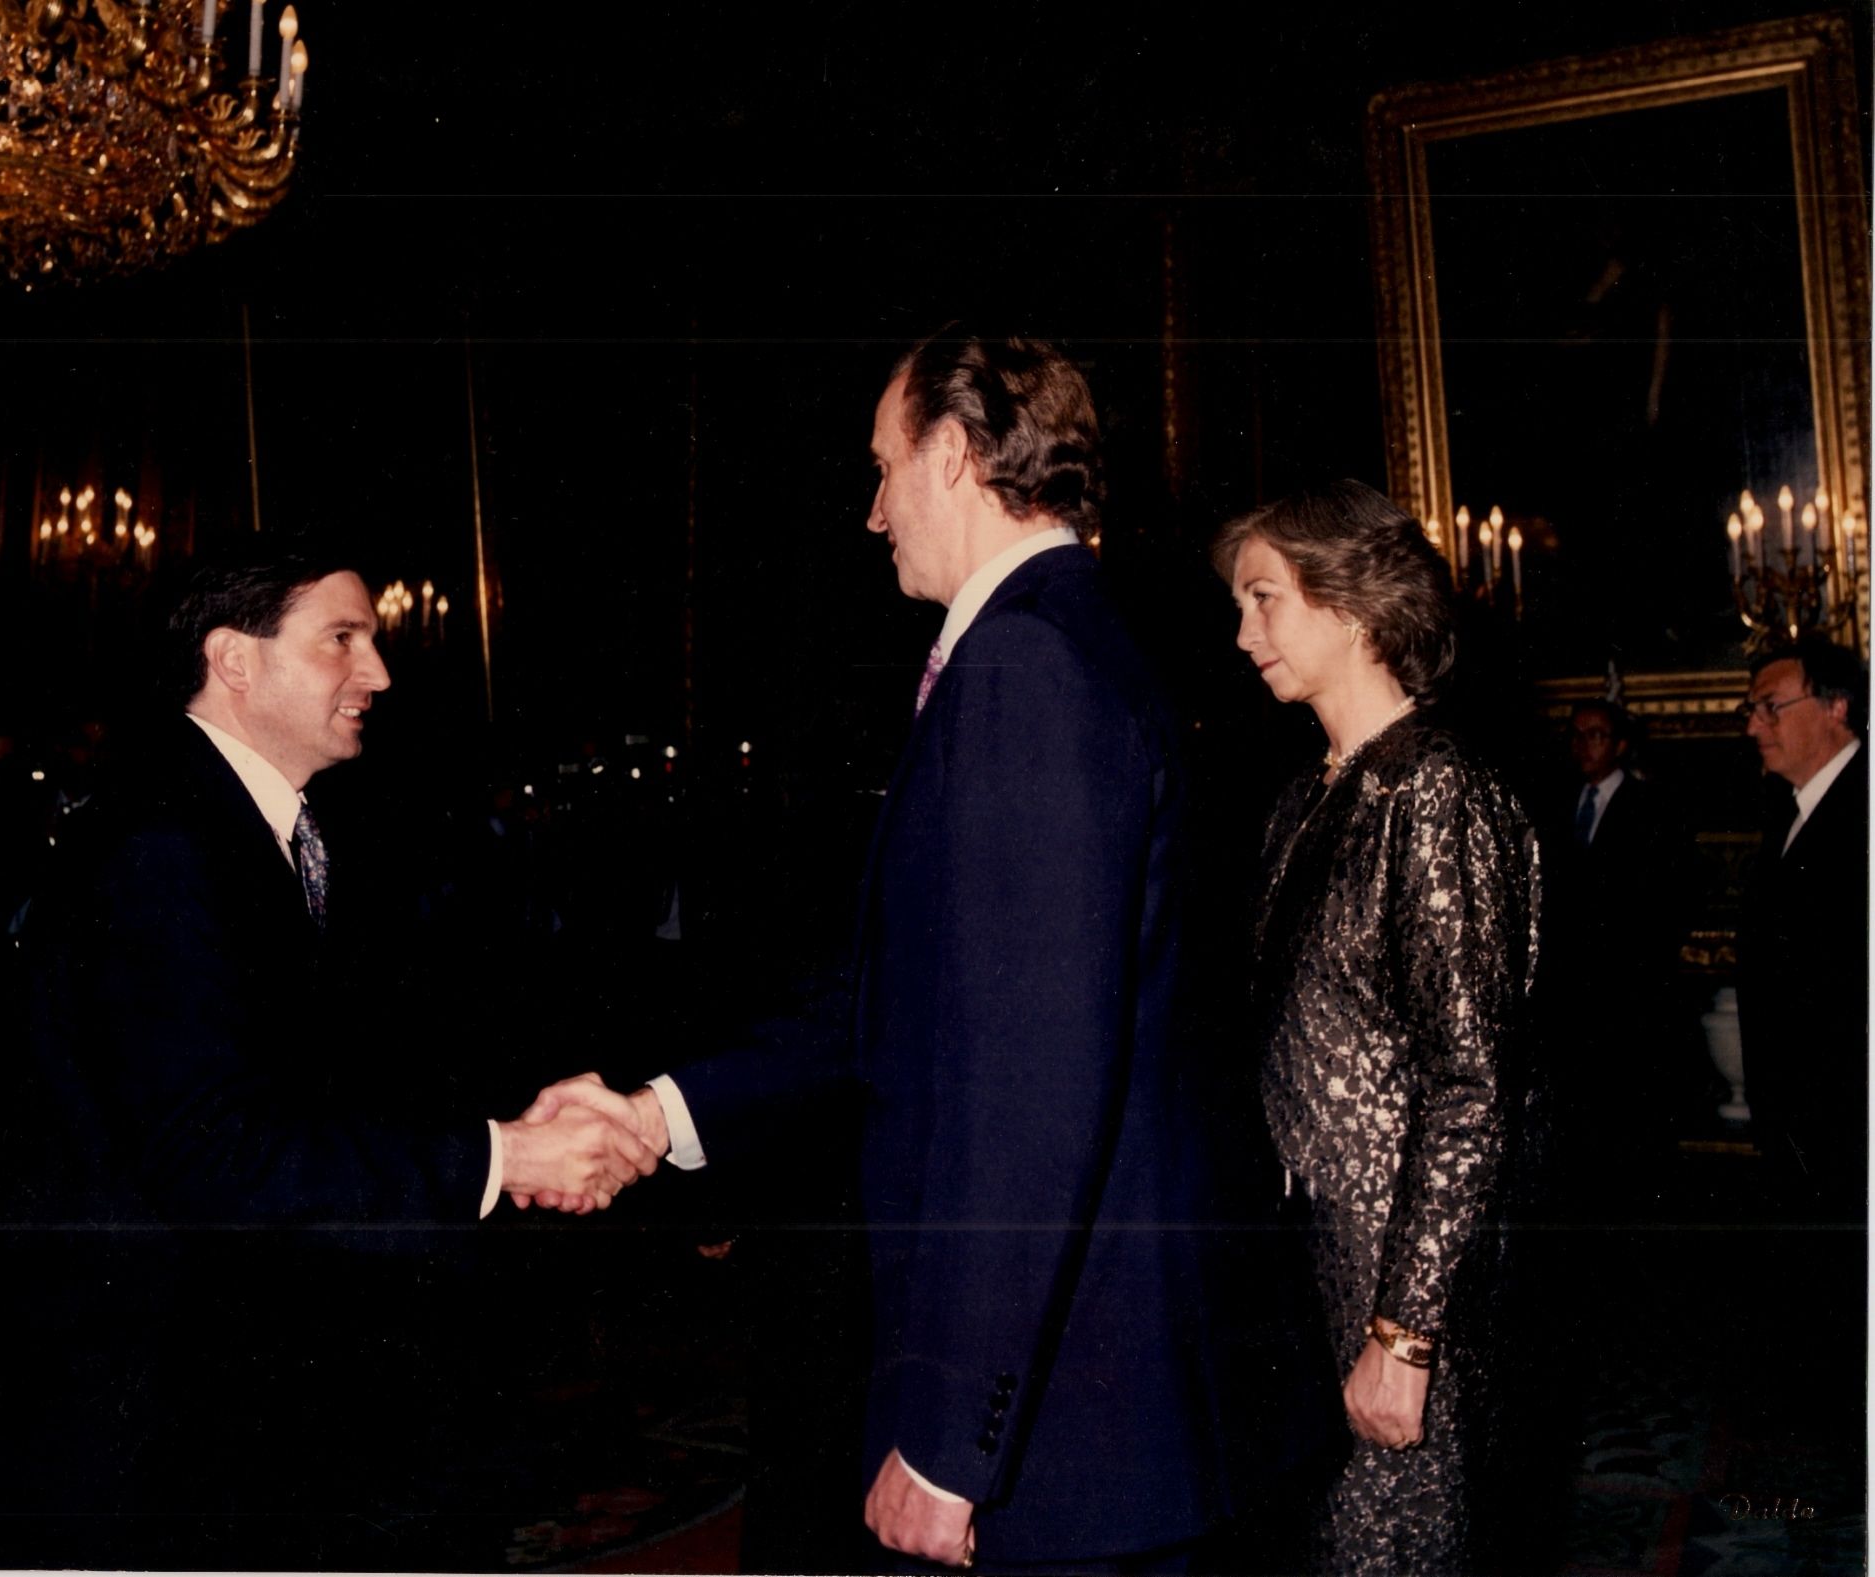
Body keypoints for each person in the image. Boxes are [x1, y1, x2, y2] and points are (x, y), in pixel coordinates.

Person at [527, 330, 1338, 1573]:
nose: (871, 512)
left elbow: (1032, 1089)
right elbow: (897, 997)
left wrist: (957, 1440)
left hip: (1070, 1415)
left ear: (953, 453)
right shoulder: (1050, 639)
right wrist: (658, 1113)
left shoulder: (1024, 662)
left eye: (882, 466)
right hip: (1094, 1392)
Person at [22, 543, 655, 1561]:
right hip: (162, 1402)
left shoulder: (266, 826)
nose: (379, 673)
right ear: (235, 658)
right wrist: (501, 1155)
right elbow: (215, 1154)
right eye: (342, 640)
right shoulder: (160, 847)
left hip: (256, 1380)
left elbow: (337, 1077)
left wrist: (522, 1122)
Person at [1214, 479, 1544, 1576]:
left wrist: (1404, 1333)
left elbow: (1472, 1087)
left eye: (1263, 597)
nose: (1242, 631)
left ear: (1352, 605)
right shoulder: (1306, 799)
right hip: (1306, 1278)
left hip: (1398, 1296)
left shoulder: (1435, 794)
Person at [1736, 638, 1868, 1219]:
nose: (1753, 726)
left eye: (1771, 707)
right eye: (1751, 710)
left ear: (1836, 706)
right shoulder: (1792, 811)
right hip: (1801, 1125)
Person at [1554, 698, 1690, 1209]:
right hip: (1572, 996)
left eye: (1595, 735)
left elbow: (1669, 899)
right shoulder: (1556, 804)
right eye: (1575, 734)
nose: (1582, 745)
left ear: (1620, 745)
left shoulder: (1652, 807)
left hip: (1629, 996)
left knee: (1628, 1126)